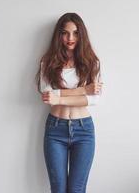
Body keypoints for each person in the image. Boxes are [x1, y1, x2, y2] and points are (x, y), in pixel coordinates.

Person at [35, 12, 103, 193]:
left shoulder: (92, 63)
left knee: (77, 189)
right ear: (59, 35)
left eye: (75, 33)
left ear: (82, 34)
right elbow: (48, 95)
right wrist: (83, 90)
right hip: (55, 130)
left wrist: (60, 98)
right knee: (58, 189)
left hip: (84, 131)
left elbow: (93, 99)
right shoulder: (47, 62)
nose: (70, 38)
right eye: (65, 33)